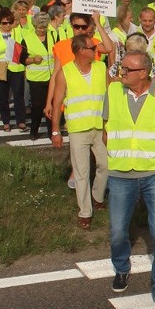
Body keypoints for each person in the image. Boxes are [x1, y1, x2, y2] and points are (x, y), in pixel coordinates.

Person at [103, 51, 155, 309]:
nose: (121, 73)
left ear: (143, 73)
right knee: (118, 231)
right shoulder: (113, 92)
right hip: (121, 174)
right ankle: (121, 267)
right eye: (122, 68)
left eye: (126, 69)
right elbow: (106, 131)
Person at [51, 34, 109, 228]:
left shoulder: (101, 68)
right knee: (81, 172)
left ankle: (98, 196)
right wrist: (55, 131)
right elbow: (57, 101)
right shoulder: (65, 72)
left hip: (100, 128)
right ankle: (85, 211)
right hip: (77, 130)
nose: (96, 51)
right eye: (92, 48)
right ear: (79, 51)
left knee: (105, 165)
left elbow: (111, 96)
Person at [24, 11, 54, 139]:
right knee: (37, 106)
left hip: (52, 77)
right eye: (39, 28)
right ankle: (34, 131)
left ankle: (51, 132)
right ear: (34, 26)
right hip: (36, 79)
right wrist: (32, 60)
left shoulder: (54, 35)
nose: (42, 30)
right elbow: (21, 59)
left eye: (44, 27)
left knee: (51, 105)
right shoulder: (27, 39)